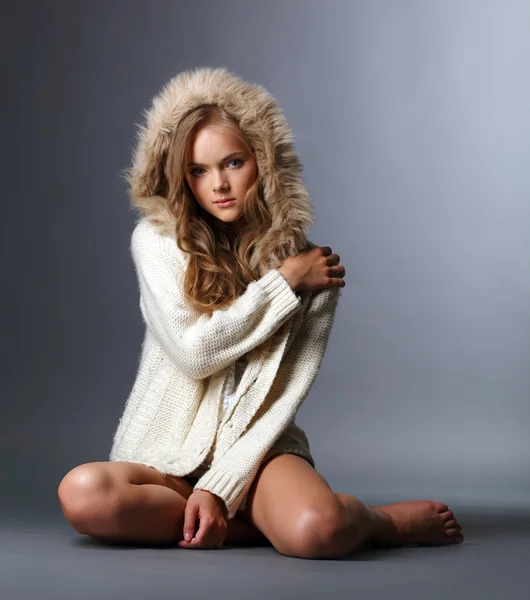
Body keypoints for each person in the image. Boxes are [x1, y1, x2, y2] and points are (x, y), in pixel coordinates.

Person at [57, 66, 464, 558]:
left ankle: (380, 522)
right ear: (181, 177)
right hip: (164, 454)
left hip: (259, 452)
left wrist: (222, 485)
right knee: (82, 495)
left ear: (264, 162)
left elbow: (280, 396)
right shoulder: (158, 243)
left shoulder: (313, 268)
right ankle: (236, 523)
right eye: (198, 171)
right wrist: (282, 285)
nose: (219, 184)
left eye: (233, 162)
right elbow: (193, 354)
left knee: (319, 532)